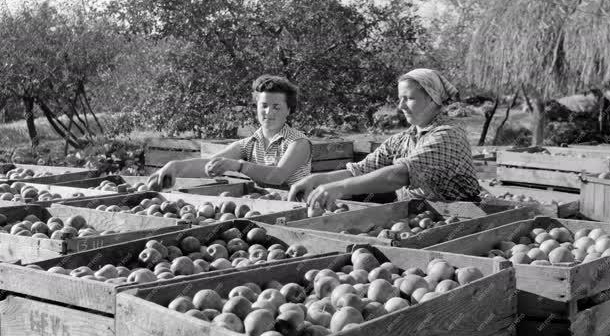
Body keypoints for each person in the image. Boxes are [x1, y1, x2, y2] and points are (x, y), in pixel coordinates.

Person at [288, 68, 481, 208]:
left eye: (409, 98)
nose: (401, 106)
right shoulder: (403, 139)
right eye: (400, 98)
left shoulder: (448, 134)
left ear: (433, 99)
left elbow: (399, 175)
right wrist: (317, 179)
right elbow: (360, 170)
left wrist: (337, 188)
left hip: (462, 218)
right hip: (419, 218)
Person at [148, 75, 311, 189]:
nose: (268, 112)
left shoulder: (298, 142)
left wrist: (238, 166)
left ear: (289, 110)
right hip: (267, 207)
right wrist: (174, 167)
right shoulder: (250, 143)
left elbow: (277, 176)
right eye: (264, 105)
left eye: (277, 107)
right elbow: (210, 163)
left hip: (299, 213)